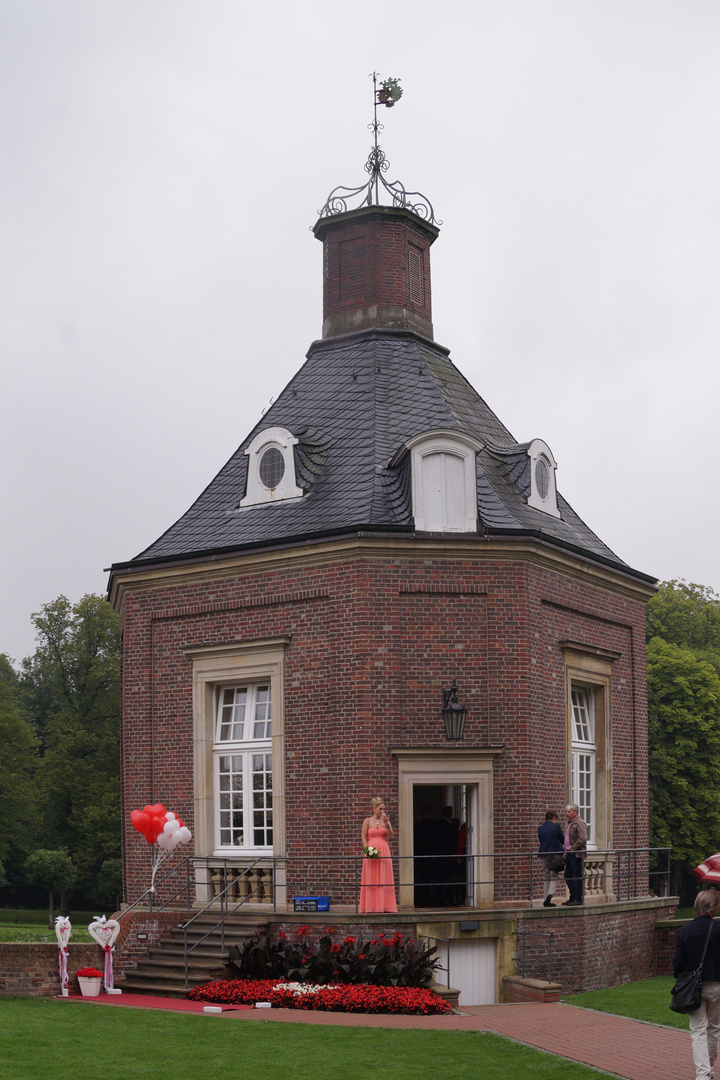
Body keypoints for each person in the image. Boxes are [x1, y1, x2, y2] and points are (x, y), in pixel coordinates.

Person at [674, 889, 720, 1080]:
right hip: (717, 985)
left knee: (698, 1031)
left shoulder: (684, 931)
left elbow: (677, 965)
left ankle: (703, 1075)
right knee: (714, 1029)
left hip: (694, 987)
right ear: (714, 908)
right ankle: (708, 1070)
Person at [359, 797, 397, 913]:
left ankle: (385, 905)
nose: (382, 811)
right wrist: (367, 850)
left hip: (383, 850)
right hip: (371, 851)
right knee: (371, 877)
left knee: (383, 877)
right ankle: (370, 906)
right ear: (374, 808)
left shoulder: (386, 821)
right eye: (380, 809)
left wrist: (386, 823)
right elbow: (363, 836)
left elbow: (390, 835)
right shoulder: (367, 821)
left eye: (384, 809)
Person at [537, 809, 565, 907]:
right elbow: (562, 839)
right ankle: (550, 895)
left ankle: (546, 900)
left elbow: (541, 841)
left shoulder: (540, 828)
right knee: (554, 875)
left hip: (543, 854)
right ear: (553, 818)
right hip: (555, 854)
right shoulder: (556, 826)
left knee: (546, 876)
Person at [563, 803, 587, 906]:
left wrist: (572, 849)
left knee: (576, 876)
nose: (567, 814)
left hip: (576, 854)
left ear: (575, 812)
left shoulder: (579, 823)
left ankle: (578, 898)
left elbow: (582, 838)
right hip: (569, 853)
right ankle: (572, 897)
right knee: (568, 875)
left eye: (569, 812)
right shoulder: (570, 823)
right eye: (567, 812)